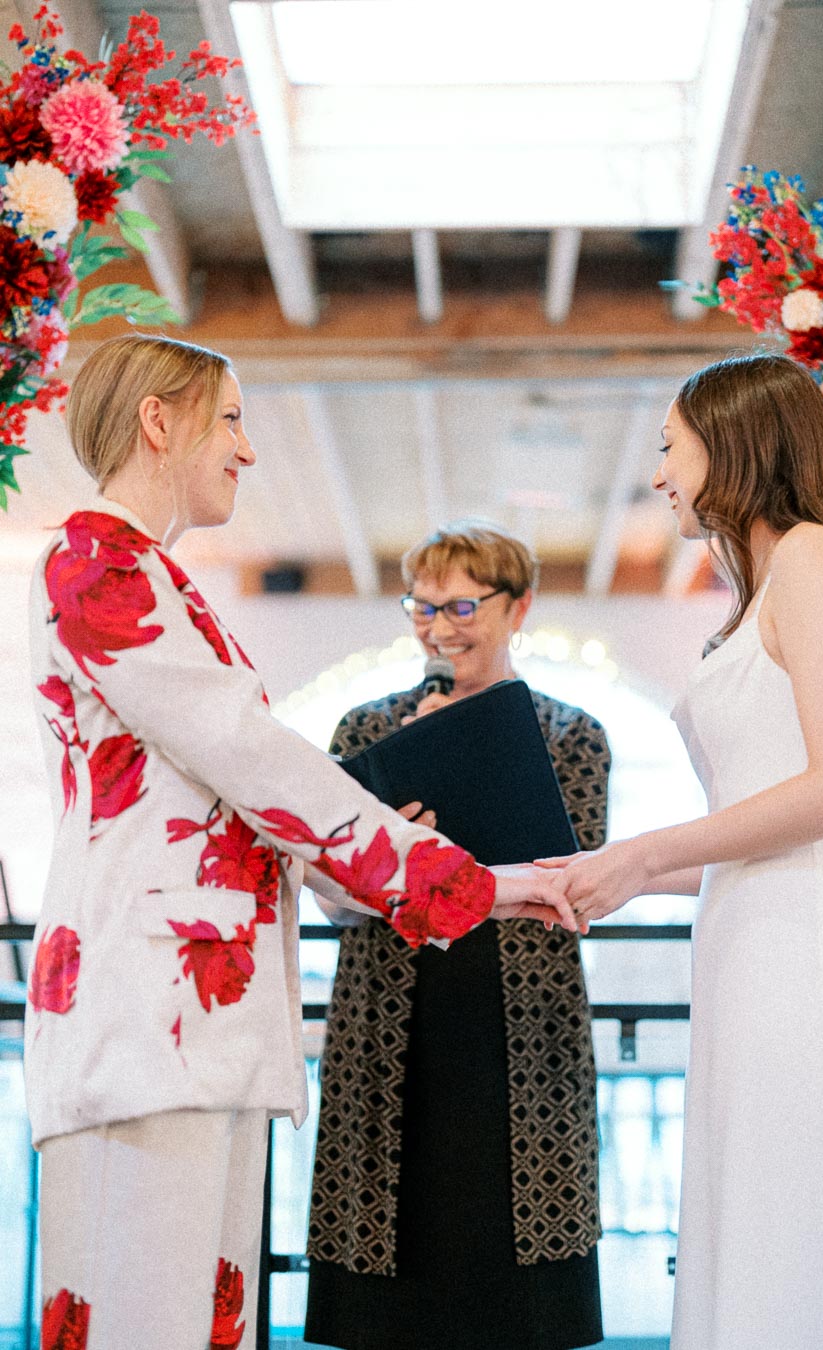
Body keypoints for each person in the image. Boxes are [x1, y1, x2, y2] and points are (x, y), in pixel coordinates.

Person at [24, 335, 573, 1350]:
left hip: (195, 1014)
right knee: (141, 1319)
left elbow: (249, 796)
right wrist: (468, 885)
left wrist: (462, 885)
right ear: (160, 420)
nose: (248, 449)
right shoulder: (93, 560)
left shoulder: (151, 574)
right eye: (230, 419)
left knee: (196, 1317)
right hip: (145, 1018)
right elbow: (252, 759)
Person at [541, 353, 823, 1350]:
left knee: (804, 1223)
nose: (660, 475)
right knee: (761, 1215)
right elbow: (758, 819)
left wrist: (648, 851)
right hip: (754, 940)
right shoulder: (770, 584)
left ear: (734, 440)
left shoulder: (818, 562)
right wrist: (604, 870)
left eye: (670, 447)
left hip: (811, 951)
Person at [304, 523, 611, 1350]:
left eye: (464, 605)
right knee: (392, 1253)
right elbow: (327, 889)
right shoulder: (364, 731)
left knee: (513, 1275)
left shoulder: (571, 734)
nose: (441, 627)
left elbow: (572, 875)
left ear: (520, 609)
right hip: (390, 1016)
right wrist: (380, 863)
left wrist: (447, 830)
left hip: (521, 1022)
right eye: (424, 607)